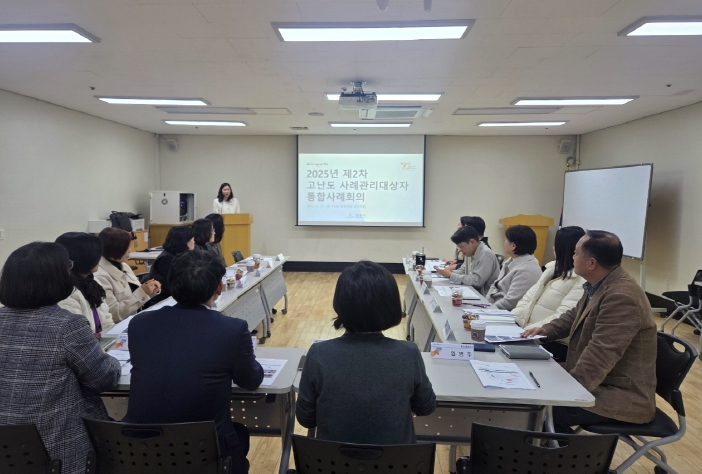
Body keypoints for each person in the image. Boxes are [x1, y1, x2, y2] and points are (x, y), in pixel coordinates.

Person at [124, 251, 263, 473]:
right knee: (239, 435)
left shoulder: (139, 324)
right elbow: (251, 380)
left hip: (140, 451)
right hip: (204, 451)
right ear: (219, 287)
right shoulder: (232, 329)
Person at [0, 242, 121, 474]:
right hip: (58, 450)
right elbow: (103, 379)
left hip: (8, 450)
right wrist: (108, 358)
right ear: (58, 278)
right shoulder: (67, 326)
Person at [521, 230, 657, 431]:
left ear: (592, 263)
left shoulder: (622, 297)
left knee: (535, 406)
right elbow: (572, 316)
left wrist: (566, 391)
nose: (572, 257)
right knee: (531, 377)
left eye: (576, 253)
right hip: (600, 381)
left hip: (619, 393)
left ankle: (557, 449)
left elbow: (601, 353)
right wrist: (543, 330)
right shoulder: (601, 283)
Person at [296, 261, 437, 444]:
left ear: (339, 304)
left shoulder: (319, 354)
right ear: (390, 305)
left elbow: (306, 419)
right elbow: (425, 407)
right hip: (396, 459)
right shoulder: (408, 354)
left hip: (332, 459)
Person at [512, 226, 586, 361]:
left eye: (556, 245)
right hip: (526, 334)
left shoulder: (580, 280)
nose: (553, 248)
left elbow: (561, 317)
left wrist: (526, 334)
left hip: (552, 342)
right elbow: (528, 298)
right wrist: (513, 320)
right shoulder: (551, 269)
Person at [56, 232, 115, 337]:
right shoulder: (65, 293)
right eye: (96, 255)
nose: (99, 259)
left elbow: (107, 320)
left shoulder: (92, 283)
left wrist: (116, 338)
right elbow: (78, 335)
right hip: (87, 345)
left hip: (101, 342)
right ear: (84, 258)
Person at [95, 228, 161, 322]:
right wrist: (143, 292)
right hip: (120, 324)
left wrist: (150, 290)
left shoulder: (123, 266)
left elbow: (135, 296)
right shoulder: (100, 276)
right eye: (126, 248)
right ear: (115, 249)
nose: (130, 250)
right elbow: (114, 314)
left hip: (136, 316)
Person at [486, 225, 542, 310]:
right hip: (493, 307)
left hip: (506, 312)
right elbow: (495, 285)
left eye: (506, 240)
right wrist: (486, 304)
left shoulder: (526, 270)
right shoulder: (511, 260)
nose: (505, 242)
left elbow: (511, 302)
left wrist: (489, 309)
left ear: (513, 246)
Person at [436, 225, 499, 296]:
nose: (460, 250)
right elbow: (462, 271)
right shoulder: (470, 252)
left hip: (484, 296)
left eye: (461, 247)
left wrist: (451, 275)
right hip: (472, 291)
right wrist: (446, 273)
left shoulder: (486, 254)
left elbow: (477, 281)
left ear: (472, 242)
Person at [145, 226, 194, 304]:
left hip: (174, 298)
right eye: (193, 239)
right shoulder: (166, 260)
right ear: (185, 242)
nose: (194, 242)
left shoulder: (178, 256)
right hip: (163, 301)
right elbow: (178, 284)